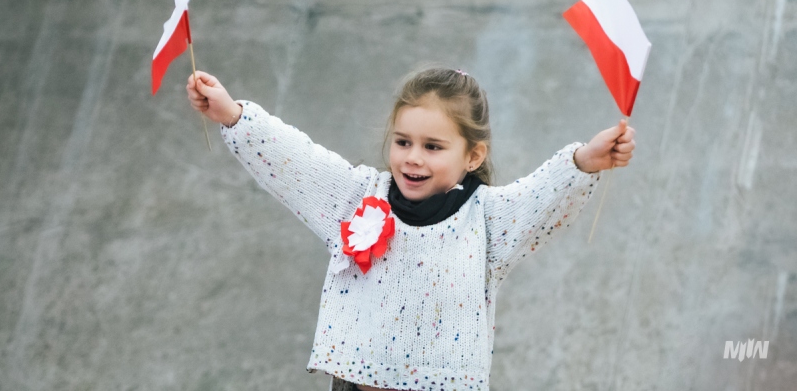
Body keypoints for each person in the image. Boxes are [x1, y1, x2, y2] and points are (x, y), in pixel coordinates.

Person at [186, 66, 635, 391]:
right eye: (403, 142)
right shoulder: (358, 197)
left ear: (473, 155)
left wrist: (585, 160)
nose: (412, 157)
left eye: (433, 146)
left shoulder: (488, 219)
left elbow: (541, 195)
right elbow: (297, 161)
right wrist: (235, 116)